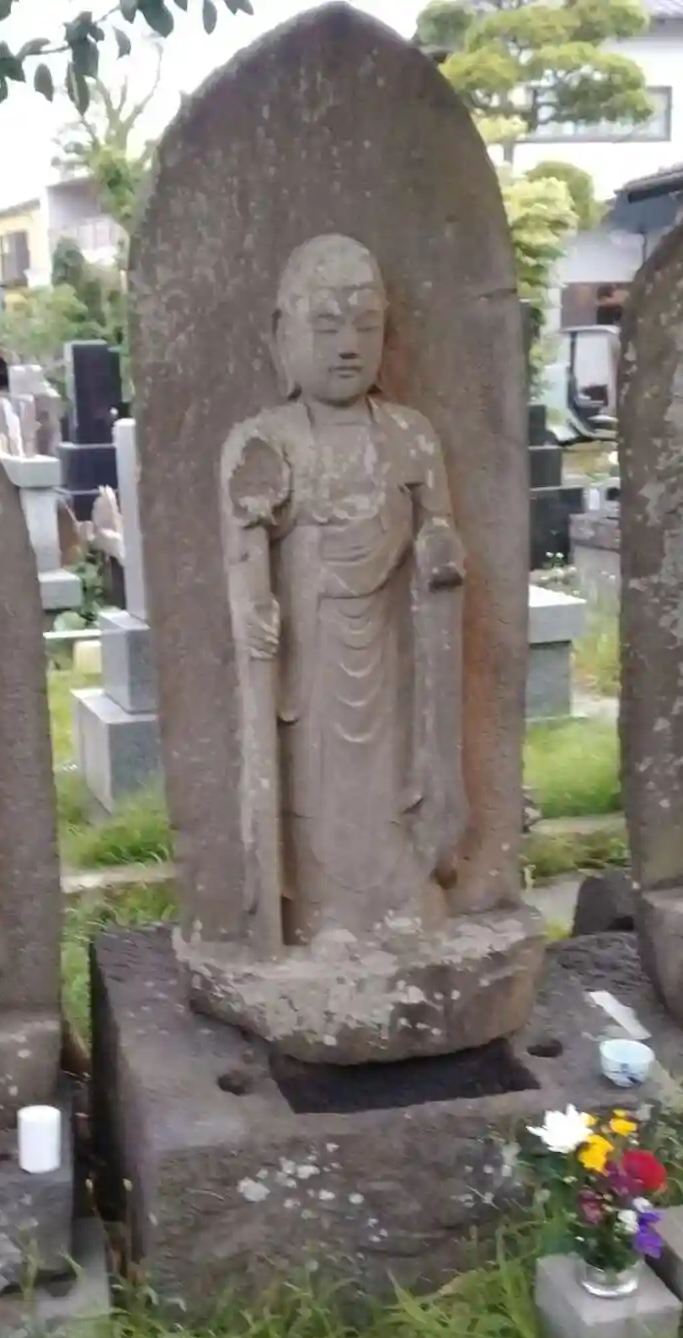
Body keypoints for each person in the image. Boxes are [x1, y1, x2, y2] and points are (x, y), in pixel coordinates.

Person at [221, 234, 467, 944]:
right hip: (311, 649)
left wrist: (439, 551)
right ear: (282, 337)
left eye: (366, 324)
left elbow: (438, 530)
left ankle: (397, 892)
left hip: (391, 646)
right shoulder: (263, 442)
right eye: (326, 326)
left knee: (390, 772)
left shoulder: (411, 437)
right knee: (317, 774)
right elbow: (242, 554)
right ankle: (321, 907)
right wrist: (252, 610)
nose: (349, 345)